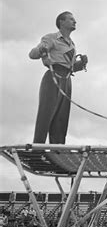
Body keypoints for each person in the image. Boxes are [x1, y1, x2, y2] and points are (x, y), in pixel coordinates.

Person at [29, 11, 88, 144]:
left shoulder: (72, 44)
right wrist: (42, 50)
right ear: (61, 22)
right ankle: (38, 150)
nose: (75, 21)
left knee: (61, 119)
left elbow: (71, 67)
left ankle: (58, 153)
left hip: (67, 80)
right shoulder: (51, 38)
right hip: (53, 77)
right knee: (46, 115)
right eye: (71, 19)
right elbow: (32, 54)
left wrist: (82, 63)